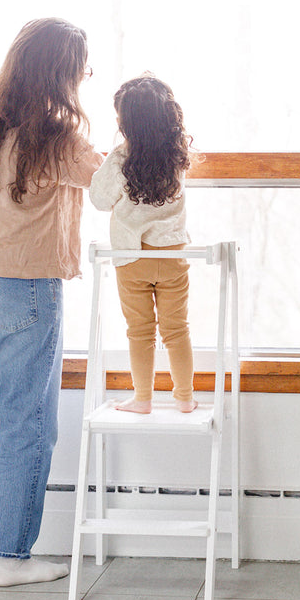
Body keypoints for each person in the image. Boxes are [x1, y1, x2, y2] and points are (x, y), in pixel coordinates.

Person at [0, 17, 103, 587]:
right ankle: (11, 555)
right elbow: (111, 187)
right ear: (61, 72)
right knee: (28, 424)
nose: (88, 75)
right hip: (23, 288)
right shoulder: (56, 137)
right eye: (82, 65)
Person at [89, 73, 197, 414]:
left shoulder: (120, 160)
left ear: (125, 123)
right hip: (171, 256)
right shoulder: (176, 158)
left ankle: (143, 398)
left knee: (139, 331)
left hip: (132, 257)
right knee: (176, 329)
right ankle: (184, 398)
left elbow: (99, 199)